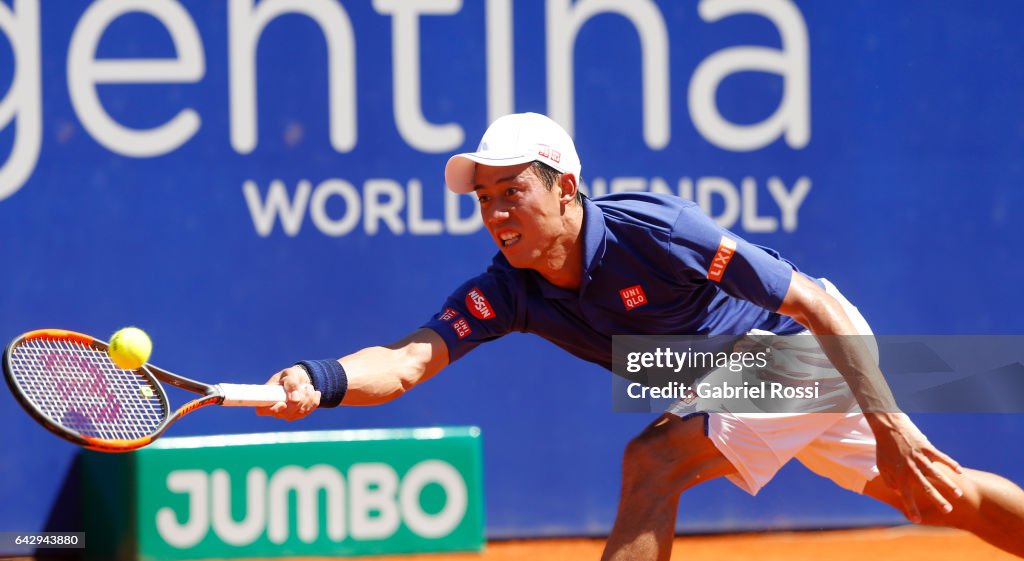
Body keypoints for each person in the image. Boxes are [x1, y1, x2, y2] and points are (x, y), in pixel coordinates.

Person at [258, 112, 1024, 560]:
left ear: (564, 188)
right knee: (940, 497)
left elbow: (819, 304)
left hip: (806, 350)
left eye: (512, 192)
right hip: (736, 381)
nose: (496, 213)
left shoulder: (656, 229)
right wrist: (316, 378)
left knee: (652, 460)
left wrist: (888, 426)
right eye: (485, 199)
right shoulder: (505, 290)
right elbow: (403, 361)